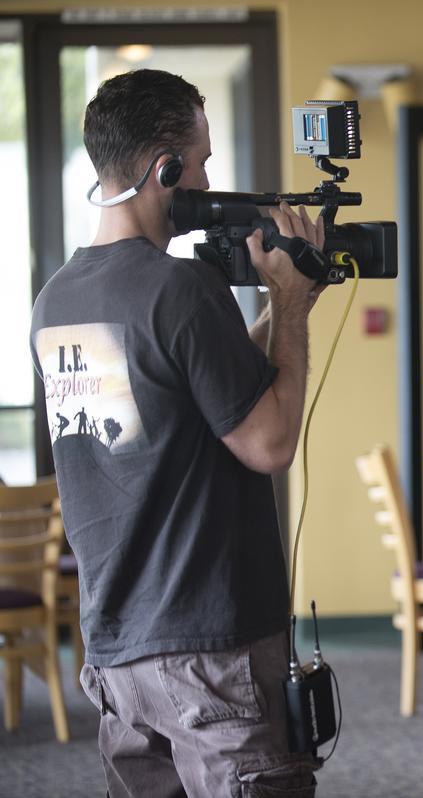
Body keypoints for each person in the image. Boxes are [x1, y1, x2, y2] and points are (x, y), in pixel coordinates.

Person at [29, 69, 322, 796]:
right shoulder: (182, 288)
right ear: (166, 167)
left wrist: (289, 307)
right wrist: (287, 305)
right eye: (202, 160)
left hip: (118, 652)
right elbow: (269, 443)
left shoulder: (57, 299)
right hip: (212, 648)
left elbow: (193, 392)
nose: (209, 176)